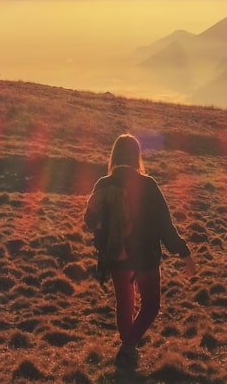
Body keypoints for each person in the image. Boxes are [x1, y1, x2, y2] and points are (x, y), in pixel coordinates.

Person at [84, 133, 196, 372]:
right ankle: (128, 347)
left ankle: (128, 351)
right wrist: (184, 252)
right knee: (151, 305)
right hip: (145, 258)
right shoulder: (148, 184)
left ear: (114, 155)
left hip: (115, 256)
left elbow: (89, 221)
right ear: (137, 156)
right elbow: (165, 225)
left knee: (125, 304)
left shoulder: (103, 184)